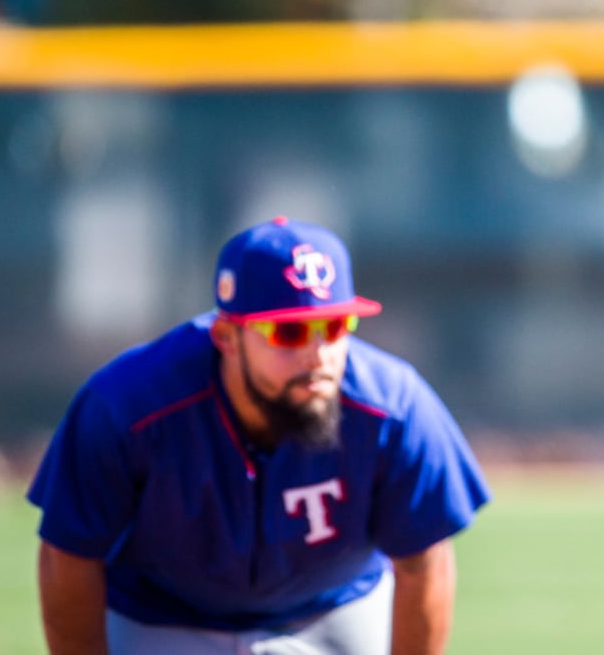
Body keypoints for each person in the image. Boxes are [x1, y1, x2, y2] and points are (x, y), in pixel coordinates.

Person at [29, 216, 491, 654]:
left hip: (333, 609)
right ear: (227, 336)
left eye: (334, 326)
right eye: (289, 332)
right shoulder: (128, 406)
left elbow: (423, 564)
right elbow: (67, 556)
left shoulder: (393, 407)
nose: (318, 354)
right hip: (161, 618)